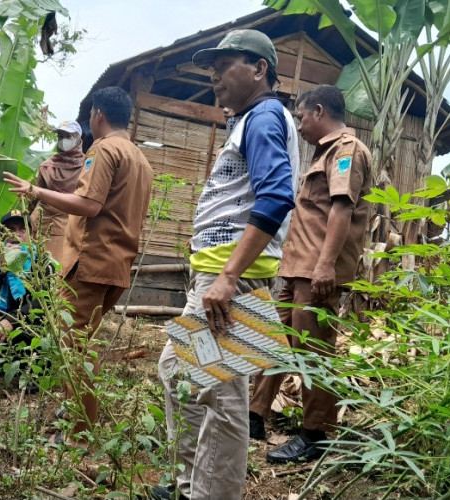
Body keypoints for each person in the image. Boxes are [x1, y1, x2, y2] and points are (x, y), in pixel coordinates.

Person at [155, 30, 299, 500]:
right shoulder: (249, 120)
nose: (213, 73)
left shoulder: (264, 116)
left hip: (229, 280)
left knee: (219, 396)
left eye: (226, 62)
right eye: (211, 65)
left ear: (259, 69)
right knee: (177, 374)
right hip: (217, 276)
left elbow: (277, 195)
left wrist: (229, 276)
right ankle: (190, 484)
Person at [3, 86, 154, 446]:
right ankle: (75, 415)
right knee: (82, 341)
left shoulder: (103, 150)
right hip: (115, 262)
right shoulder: (141, 159)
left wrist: (35, 191)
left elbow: (88, 204)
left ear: (98, 114)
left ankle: (79, 433)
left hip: (89, 260)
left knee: (75, 347)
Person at [250, 84, 372, 464]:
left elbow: (340, 210)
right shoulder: (325, 152)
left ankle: (315, 434)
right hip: (296, 269)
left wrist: (324, 266)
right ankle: (254, 417)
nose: (299, 126)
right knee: (275, 341)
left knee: (311, 349)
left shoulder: (346, 151)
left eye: (302, 117)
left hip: (316, 270)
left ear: (319, 111)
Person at [0, 210, 54, 379]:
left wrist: (10, 321)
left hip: (29, 326)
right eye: (10, 230)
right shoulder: (1, 263)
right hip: (7, 322)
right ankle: (5, 362)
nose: (16, 234)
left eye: (21, 229)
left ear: (31, 235)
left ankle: (33, 368)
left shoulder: (42, 262)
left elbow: (44, 302)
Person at [30, 120, 85, 261]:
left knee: (57, 271)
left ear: (78, 138)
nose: (63, 140)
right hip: (40, 224)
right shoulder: (46, 167)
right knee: (34, 268)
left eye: (68, 136)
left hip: (67, 228)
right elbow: (35, 197)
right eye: (60, 136)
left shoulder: (87, 167)